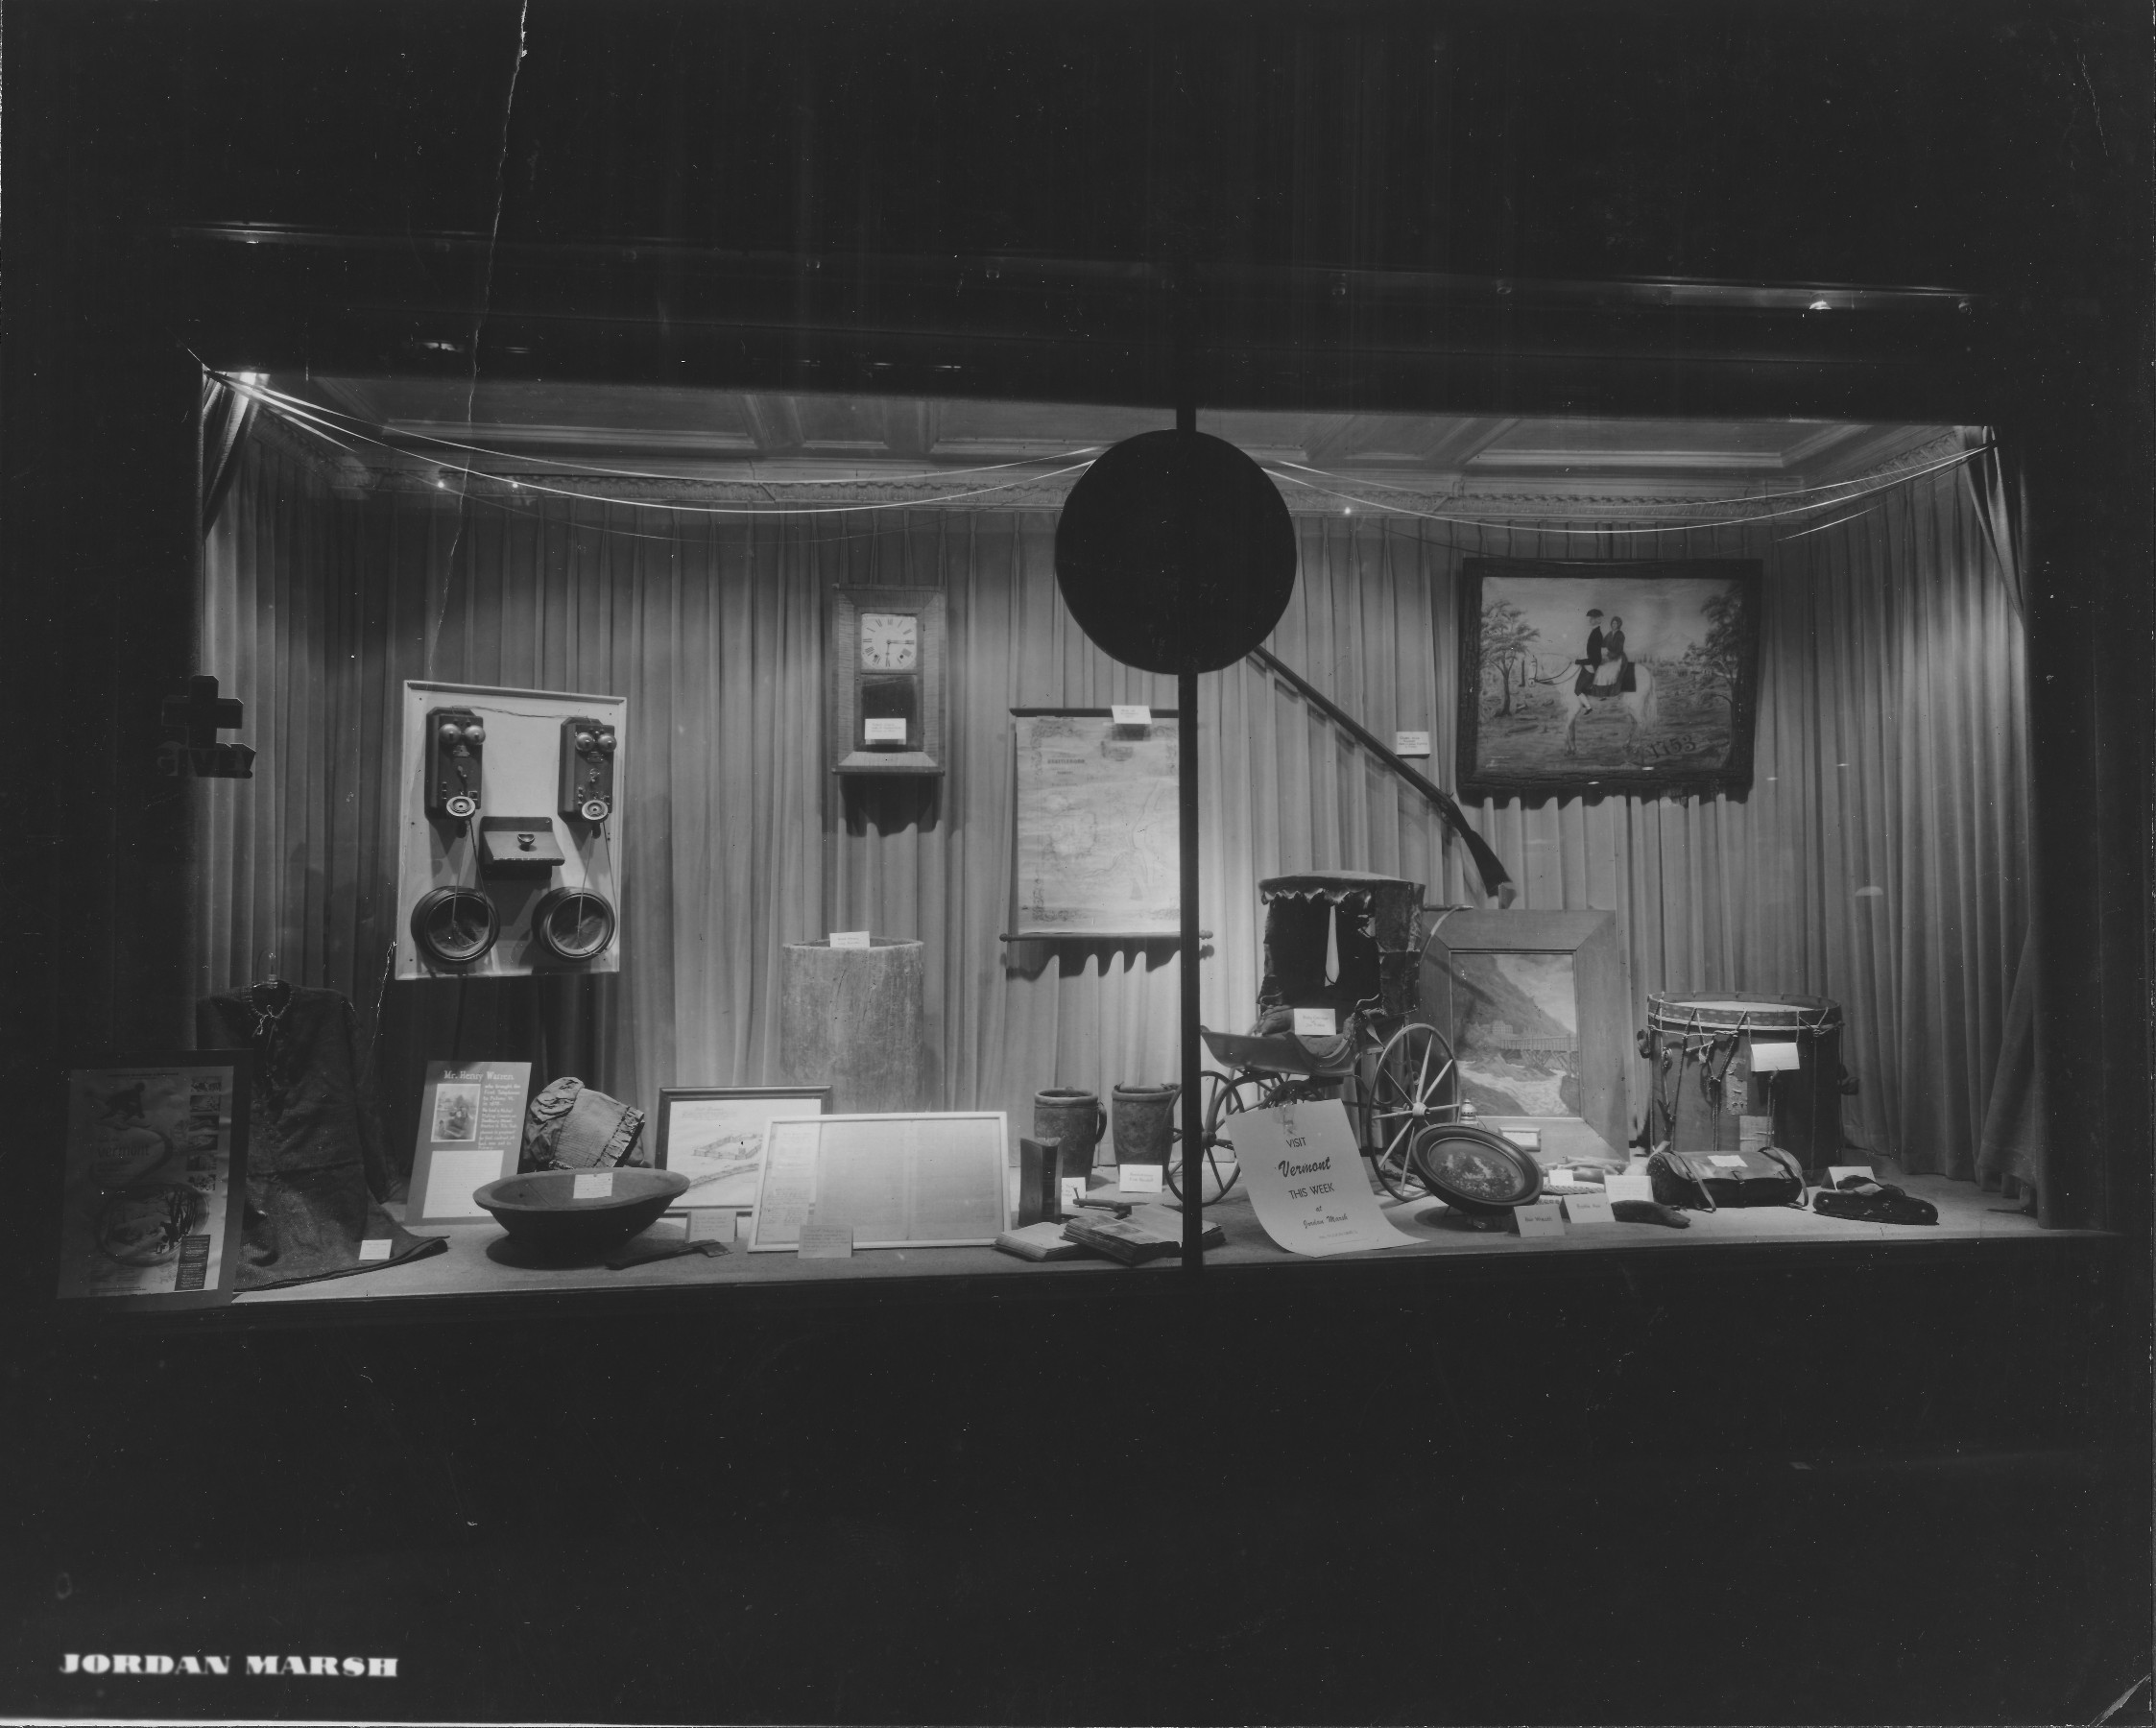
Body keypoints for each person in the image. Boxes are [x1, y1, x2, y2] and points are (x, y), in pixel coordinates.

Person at [1594, 615, 1631, 691]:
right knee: (1600, 669)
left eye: (1615, 623)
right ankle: (1601, 690)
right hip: (1609, 656)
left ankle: (1611, 690)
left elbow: (1619, 649)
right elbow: (1603, 644)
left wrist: (1609, 656)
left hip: (1618, 656)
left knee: (1610, 672)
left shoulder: (1620, 634)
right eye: (1613, 623)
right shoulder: (1609, 634)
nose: (1613, 625)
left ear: (1619, 624)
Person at [1573, 610, 1605, 695]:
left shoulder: (1597, 634)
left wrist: (1578, 661)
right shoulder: (1594, 631)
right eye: (1590, 617)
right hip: (1589, 663)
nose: (1590, 619)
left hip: (1592, 665)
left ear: (1598, 620)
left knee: (1578, 690)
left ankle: (1588, 702)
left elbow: (1593, 658)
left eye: (1593, 618)